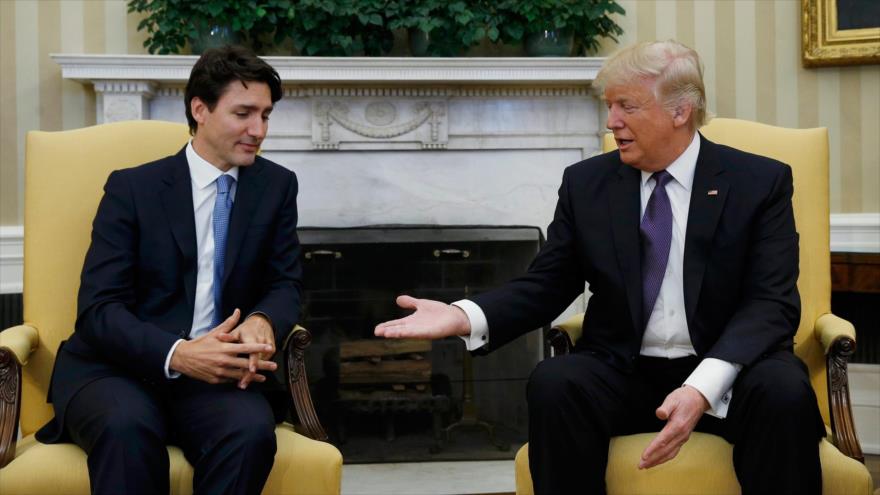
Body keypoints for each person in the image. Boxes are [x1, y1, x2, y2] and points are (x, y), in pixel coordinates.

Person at [375, 40, 825, 494]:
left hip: (731, 372)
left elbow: (771, 303)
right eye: (609, 106)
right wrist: (464, 315)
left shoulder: (758, 182)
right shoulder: (587, 184)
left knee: (784, 392)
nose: (612, 122)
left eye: (627, 106)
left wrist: (702, 388)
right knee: (555, 381)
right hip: (626, 371)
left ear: (680, 111)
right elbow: (548, 283)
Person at [35, 45, 303, 495]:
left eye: (266, 116)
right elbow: (99, 309)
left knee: (250, 432)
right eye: (243, 113)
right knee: (126, 429)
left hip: (217, 376)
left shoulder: (276, 186)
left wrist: (262, 319)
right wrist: (178, 353)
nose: (258, 130)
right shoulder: (132, 188)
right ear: (200, 109)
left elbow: (285, 283)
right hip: (117, 369)